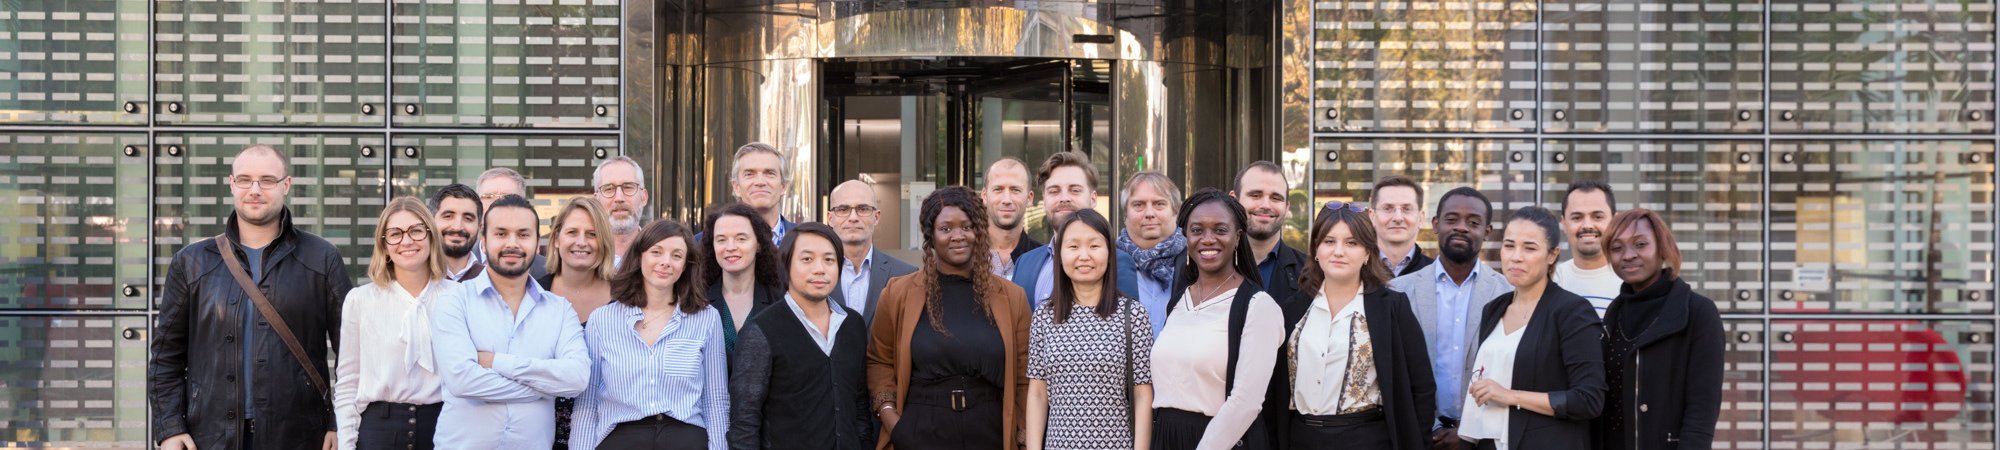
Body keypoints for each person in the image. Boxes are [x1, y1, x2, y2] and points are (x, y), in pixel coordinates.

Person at [151, 144, 352, 450]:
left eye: (267, 180)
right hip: (210, 437)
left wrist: (339, 423)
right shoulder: (192, 262)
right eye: (245, 180)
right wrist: (170, 428)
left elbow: (352, 353)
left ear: (286, 185)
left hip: (301, 437)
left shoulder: (322, 258)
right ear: (232, 184)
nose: (255, 190)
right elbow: (166, 358)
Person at [867, 186, 1031, 449]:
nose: (958, 236)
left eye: (967, 227)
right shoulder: (898, 293)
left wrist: (1022, 436)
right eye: (945, 229)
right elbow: (879, 361)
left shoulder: (1012, 298)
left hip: (990, 431)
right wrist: (893, 421)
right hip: (919, 431)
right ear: (930, 236)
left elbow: (1025, 377)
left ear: (979, 231)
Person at [1266, 201, 1436, 450]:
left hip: (1367, 439)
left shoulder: (1391, 307)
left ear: (1367, 252)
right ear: (1316, 249)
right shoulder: (1292, 309)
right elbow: (1273, 391)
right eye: (1329, 241)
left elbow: (1421, 389)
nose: (1339, 251)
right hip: (1300, 438)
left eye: (1351, 243)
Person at [431, 195, 590, 449]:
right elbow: (462, 380)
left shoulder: (560, 310)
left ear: (537, 244)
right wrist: (546, 388)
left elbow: (577, 379)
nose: (512, 243)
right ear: (484, 242)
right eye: (501, 234)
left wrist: (496, 362)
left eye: (523, 234)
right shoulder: (454, 300)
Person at [571, 219, 729, 450]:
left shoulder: (706, 318)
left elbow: (716, 399)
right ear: (639, 256)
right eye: (656, 252)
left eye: (676, 255)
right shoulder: (602, 320)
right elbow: (587, 402)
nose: (666, 262)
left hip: (685, 437)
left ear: (686, 265)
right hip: (621, 436)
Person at [1457, 207, 1606, 450]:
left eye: (1529, 248)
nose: (1516, 257)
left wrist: (1510, 396)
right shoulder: (1494, 309)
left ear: (1552, 255)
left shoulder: (1572, 311)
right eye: (1509, 245)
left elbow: (1589, 399)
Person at [1150, 188, 1282, 450]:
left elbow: (1246, 402)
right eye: (1197, 230)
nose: (1208, 239)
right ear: (1186, 236)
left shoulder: (1258, 306)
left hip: (1222, 441)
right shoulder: (1178, 302)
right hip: (1166, 437)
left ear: (1238, 237)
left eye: (1220, 230)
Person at [1386, 187, 1514, 450]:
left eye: (1473, 222)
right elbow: (1393, 371)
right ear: (1436, 224)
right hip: (1416, 434)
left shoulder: (1508, 293)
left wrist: (1468, 431)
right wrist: (1430, 427)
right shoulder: (1398, 292)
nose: (1462, 227)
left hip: (1484, 437)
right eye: (1452, 219)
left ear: (1487, 231)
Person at [730, 222, 873, 450]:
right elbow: (745, 420)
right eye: (807, 259)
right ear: (786, 265)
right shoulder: (762, 330)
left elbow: (859, 406)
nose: (820, 269)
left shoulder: (852, 324)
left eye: (829, 260)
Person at [1592, 209, 1723, 450]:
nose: (1628, 255)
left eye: (1640, 244)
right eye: (1617, 248)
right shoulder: (1614, 313)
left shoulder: (1697, 312)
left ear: (1662, 247)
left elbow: (1702, 409)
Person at [1026, 209, 1156, 450]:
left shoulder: (1133, 315)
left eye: (1094, 246)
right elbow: (1038, 393)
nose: (1084, 256)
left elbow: (1142, 393)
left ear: (1109, 253)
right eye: (1073, 247)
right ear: (1060, 254)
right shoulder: (1044, 316)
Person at [335, 197, 452, 450]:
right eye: (395, 234)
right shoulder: (360, 300)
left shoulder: (458, 297)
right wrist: (346, 444)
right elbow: (348, 383)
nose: (406, 241)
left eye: (416, 231)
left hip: (444, 429)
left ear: (431, 236)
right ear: (384, 245)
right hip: (377, 432)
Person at [538, 197, 618, 450]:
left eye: (592, 234)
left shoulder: (626, 300)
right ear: (556, 239)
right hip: (540, 433)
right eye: (572, 232)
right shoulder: (535, 296)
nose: (581, 242)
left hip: (607, 434)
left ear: (603, 242)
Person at [1010, 152, 1139, 308]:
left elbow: (1125, 319)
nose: (1064, 198)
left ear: (1093, 199)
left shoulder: (1117, 262)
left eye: (1075, 190)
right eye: (1054, 191)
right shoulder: (1024, 263)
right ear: (1044, 200)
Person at [827, 180, 919, 326]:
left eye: (863, 209)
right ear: (830, 219)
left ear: (876, 217)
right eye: (843, 209)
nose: (853, 218)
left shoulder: (905, 275)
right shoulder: (812, 274)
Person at [703, 203, 786, 352]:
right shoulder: (697, 298)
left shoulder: (780, 298)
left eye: (741, 239)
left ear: (759, 244)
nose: (730, 247)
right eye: (721, 240)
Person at [1115, 171, 1185, 337]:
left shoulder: (1196, 262)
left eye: (1159, 204)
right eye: (1138, 205)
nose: (1149, 213)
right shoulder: (1107, 264)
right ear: (1125, 214)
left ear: (1176, 211)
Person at [1232, 161, 1310, 305]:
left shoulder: (1312, 274)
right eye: (1255, 195)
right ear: (1234, 200)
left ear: (1287, 207)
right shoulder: (1205, 266)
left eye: (1276, 198)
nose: (1266, 205)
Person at [1553, 180, 1620, 317]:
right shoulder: (1551, 282)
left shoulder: (1631, 282)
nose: (1587, 225)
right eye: (1577, 217)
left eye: (1598, 217)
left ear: (1615, 221)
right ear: (1564, 223)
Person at [474, 168, 550, 280]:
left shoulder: (547, 270)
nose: (496, 203)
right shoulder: (457, 265)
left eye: (507, 197)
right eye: (488, 197)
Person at [982, 157, 1041, 276]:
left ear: (1029, 198)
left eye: (1015, 190)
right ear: (984, 196)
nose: (1006, 200)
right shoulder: (966, 256)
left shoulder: (1044, 259)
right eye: (998, 189)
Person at [730, 142, 798, 242]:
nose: (760, 182)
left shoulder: (805, 239)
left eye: (770, 173)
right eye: (749, 174)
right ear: (736, 187)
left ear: (783, 186)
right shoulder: (712, 241)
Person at [1370, 175, 1434, 277]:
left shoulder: (1435, 274)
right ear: (1372, 216)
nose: (1398, 218)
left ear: (1421, 218)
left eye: (1407, 209)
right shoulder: (1356, 272)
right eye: (1387, 208)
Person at [594, 156, 653, 263]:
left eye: (628, 187)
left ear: (644, 197)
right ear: (596, 200)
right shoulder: (582, 258)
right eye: (609, 189)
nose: (619, 198)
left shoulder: (661, 257)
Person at [427, 183, 486, 282]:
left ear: (479, 228)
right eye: (448, 216)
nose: (457, 227)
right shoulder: (415, 277)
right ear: (431, 221)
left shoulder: (492, 282)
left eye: (468, 218)